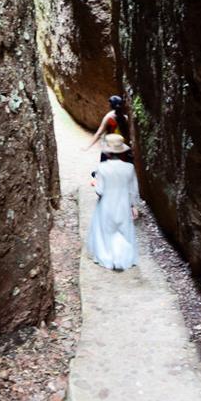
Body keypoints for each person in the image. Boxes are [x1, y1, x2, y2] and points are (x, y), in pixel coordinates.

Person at [87, 134, 140, 271]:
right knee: (122, 231)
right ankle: (122, 258)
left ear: (108, 152)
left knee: (106, 233)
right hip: (123, 205)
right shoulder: (129, 168)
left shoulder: (102, 168)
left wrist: (95, 183)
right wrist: (133, 206)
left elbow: (100, 190)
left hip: (106, 205)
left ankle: (108, 257)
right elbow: (133, 190)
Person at [83, 95, 132, 162]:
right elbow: (127, 135)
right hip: (121, 148)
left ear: (111, 106)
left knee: (105, 167)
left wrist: (88, 146)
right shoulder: (126, 118)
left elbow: (99, 133)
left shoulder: (109, 117)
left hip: (109, 148)